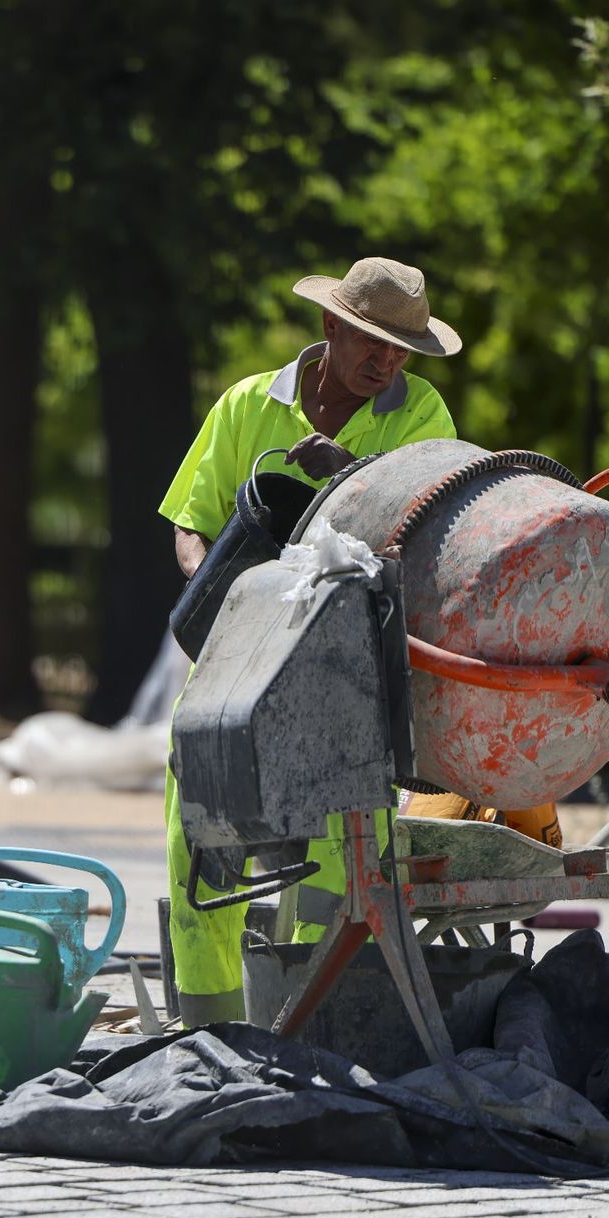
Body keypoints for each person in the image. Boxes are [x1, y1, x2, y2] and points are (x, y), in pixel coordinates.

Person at [158, 256, 460, 1026]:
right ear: (331, 326)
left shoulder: (420, 415)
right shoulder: (248, 405)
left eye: (402, 350)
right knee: (203, 844)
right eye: (373, 343)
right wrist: (216, 597)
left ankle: (314, 1031)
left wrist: (350, 476)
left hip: (347, 675)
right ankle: (210, 1040)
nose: (387, 362)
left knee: (341, 863)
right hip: (234, 667)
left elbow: (429, 536)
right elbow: (193, 519)